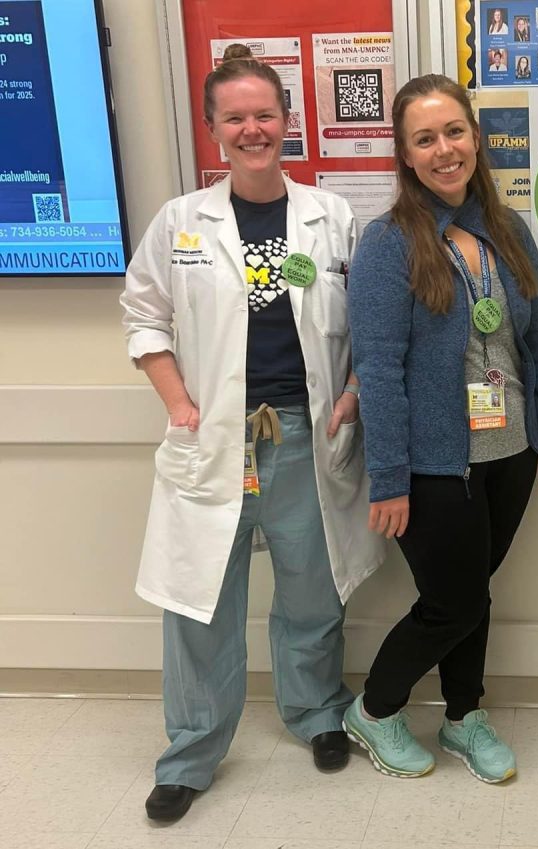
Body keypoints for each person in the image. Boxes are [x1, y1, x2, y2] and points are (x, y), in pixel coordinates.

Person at [120, 44, 385, 822]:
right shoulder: (181, 221)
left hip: (304, 432)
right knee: (200, 599)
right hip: (216, 439)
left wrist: (355, 393)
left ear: (286, 122)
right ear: (213, 130)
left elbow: (369, 322)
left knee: (311, 589)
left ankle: (315, 712)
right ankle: (192, 752)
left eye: (265, 114)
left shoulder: (329, 215)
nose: (252, 128)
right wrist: (178, 404)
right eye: (234, 117)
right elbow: (142, 317)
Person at [345, 74, 538, 784]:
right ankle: (376, 709)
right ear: (405, 155)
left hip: (510, 450)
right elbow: (378, 369)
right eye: (425, 138)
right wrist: (388, 477)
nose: (444, 149)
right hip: (432, 463)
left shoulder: (508, 233)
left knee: (474, 591)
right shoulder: (389, 245)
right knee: (456, 600)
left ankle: (462, 715)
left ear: (476, 138)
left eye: (454, 132)